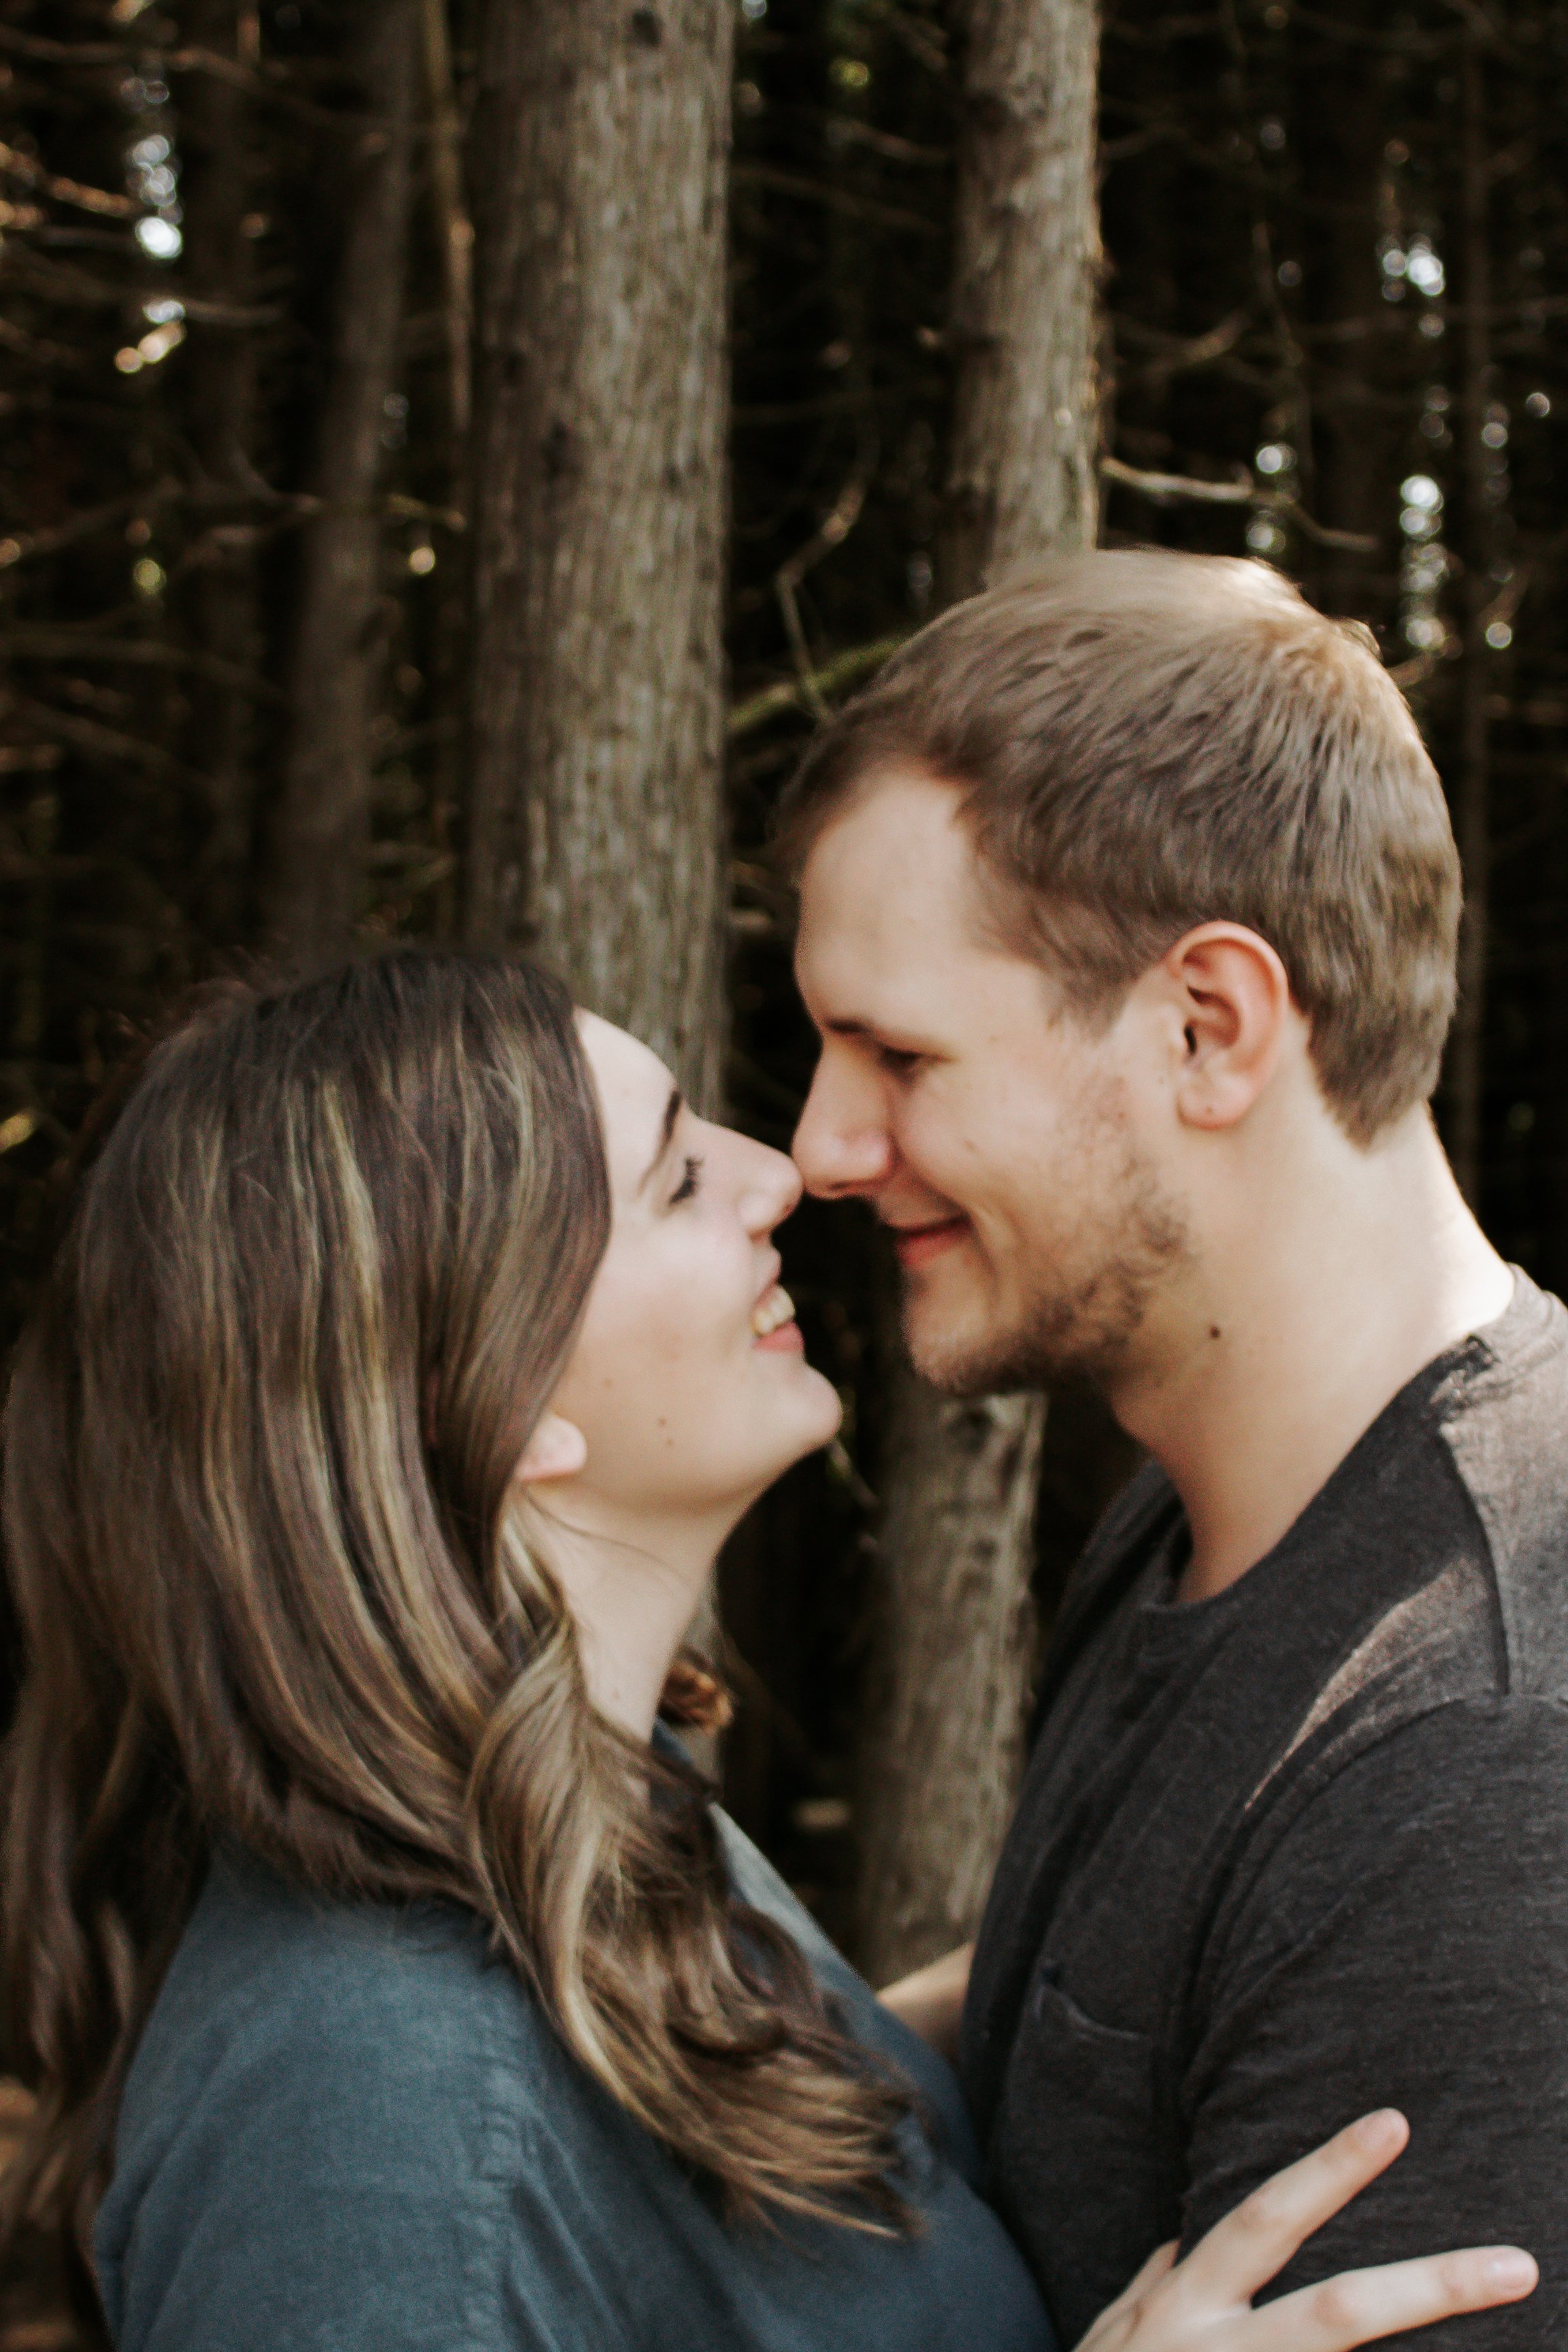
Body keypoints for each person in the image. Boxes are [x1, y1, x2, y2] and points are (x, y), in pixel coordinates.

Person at [0, 952, 1533, 2352]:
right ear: (498, 1392)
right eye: (674, 1180)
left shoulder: (573, 1822)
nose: (775, 1174)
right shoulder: (371, 2120)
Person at [783, 549, 1568, 2349]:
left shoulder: (1475, 1762)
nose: (823, 1144)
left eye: (896, 1053)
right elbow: (1111, 1991)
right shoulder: (1205, 1519)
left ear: (1207, 1026)